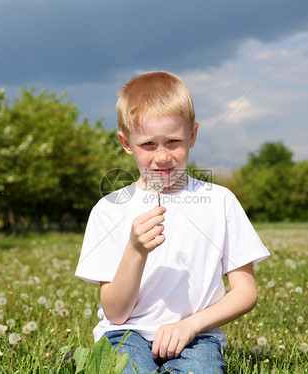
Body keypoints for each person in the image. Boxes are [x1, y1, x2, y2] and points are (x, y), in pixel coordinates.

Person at [75, 71, 269, 373]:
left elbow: (246, 291)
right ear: (126, 143)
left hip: (196, 336)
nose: (163, 156)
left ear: (192, 135)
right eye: (148, 144)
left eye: (174, 141)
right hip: (126, 334)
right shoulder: (109, 210)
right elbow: (115, 312)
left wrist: (192, 325)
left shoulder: (220, 201)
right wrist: (136, 251)